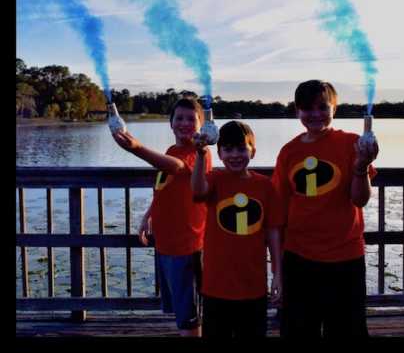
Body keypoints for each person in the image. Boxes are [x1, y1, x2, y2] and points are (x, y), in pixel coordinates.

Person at [271, 80, 378, 338]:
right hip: (299, 258)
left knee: (346, 331)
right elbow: (278, 213)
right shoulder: (289, 152)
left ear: (334, 108)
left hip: (345, 257)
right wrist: (278, 270)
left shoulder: (352, 143)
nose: (315, 114)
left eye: (322, 107)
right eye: (307, 108)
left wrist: (361, 165)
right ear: (297, 111)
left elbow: (359, 199)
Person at [111, 97, 211, 337]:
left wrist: (138, 148)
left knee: (190, 317)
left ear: (201, 124)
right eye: (179, 118)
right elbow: (164, 188)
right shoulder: (172, 149)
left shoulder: (200, 153)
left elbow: (176, 167)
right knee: (181, 311)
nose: (184, 123)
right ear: (171, 123)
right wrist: (148, 216)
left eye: (191, 119)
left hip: (187, 246)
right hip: (166, 244)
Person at [190, 121, 284, 338]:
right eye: (228, 149)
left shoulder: (265, 186)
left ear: (253, 151)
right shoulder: (214, 179)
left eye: (242, 148)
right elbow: (197, 191)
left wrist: (277, 274)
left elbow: (273, 233)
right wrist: (201, 155)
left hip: (254, 288)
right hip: (215, 287)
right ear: (220, 153)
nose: (235, 155)